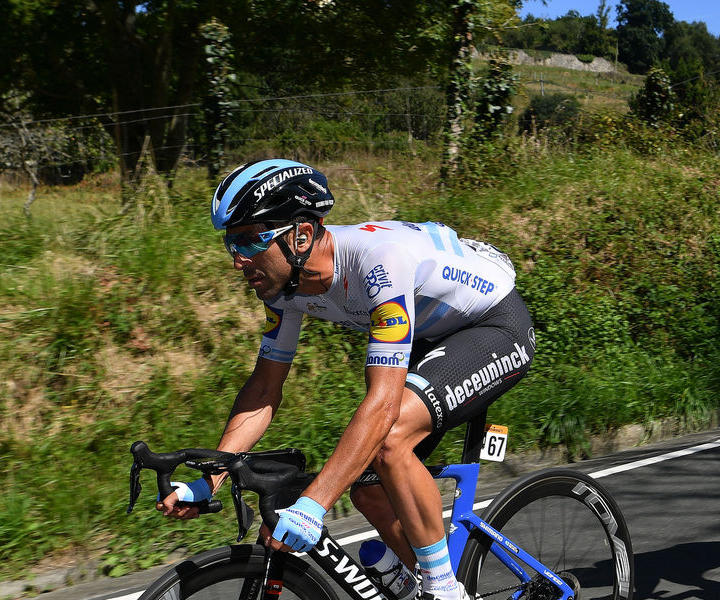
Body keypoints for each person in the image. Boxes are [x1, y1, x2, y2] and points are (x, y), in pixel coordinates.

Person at [157, 159, 535, 600]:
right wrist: (212, 476)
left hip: (493, 326)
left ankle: (444, 590)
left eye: (250, 239)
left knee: (389, 439)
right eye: (230, 243)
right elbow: (264, 390)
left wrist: (313, 506)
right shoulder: (284, 289)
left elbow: (383, 405)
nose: (238, 260)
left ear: (299, 235)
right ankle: (424, 587)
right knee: (369, 492)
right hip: (430, 334)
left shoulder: (378, 264)